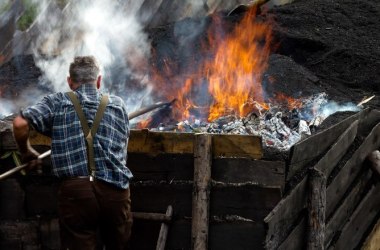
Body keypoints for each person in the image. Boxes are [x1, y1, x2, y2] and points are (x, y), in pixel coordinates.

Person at [12, 56, 133, 250]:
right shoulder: (117, 104)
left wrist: (27, 152)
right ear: (99, 81)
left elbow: (19, 124)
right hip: (115, 192)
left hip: (77, 193)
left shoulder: (57, 102)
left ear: (70, 81)